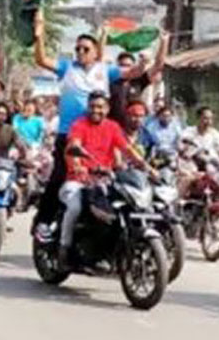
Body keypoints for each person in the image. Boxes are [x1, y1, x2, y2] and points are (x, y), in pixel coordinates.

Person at [31, 9, 147, 233]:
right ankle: (43, 222)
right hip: (69, 135)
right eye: (77, 49)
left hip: (97, 134)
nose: (80, 52)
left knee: (107, 181)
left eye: (86, 49)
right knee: (58, 178)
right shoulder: (67, 68)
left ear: (96, 53)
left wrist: (143, 62)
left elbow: (133, 72)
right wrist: (39, 34)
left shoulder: (106, 70)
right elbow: (41, 59)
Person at [58, 91, 153, 268]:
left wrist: (147, 167)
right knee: (76, 207)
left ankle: (112, 250)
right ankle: (65, 247)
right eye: (93, 106)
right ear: (88, 107)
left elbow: (127, 150)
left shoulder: (113, 127)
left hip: (106, 180)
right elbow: (74, 146)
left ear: (107, 109)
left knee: (123, 207)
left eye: (100, 107)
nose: (96, 110)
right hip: (78, 180)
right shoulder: (79, 125)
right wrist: (78, 165)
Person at [108, 29, 169, 128]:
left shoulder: (138, 81)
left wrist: (164, 42)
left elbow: (158, 66)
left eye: (128, 65)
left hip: (132, 128)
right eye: (122, 65)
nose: (125, 68)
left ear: (133, 67)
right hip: (112, 128)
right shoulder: (110, 81)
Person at [180, 107, 219, 180]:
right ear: (198, 118)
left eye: (211, 119)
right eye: (205, 118)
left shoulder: (214, 134)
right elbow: (182, 149)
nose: (209, 122)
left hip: (211, 167)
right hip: (191, 166)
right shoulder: (189, 132)